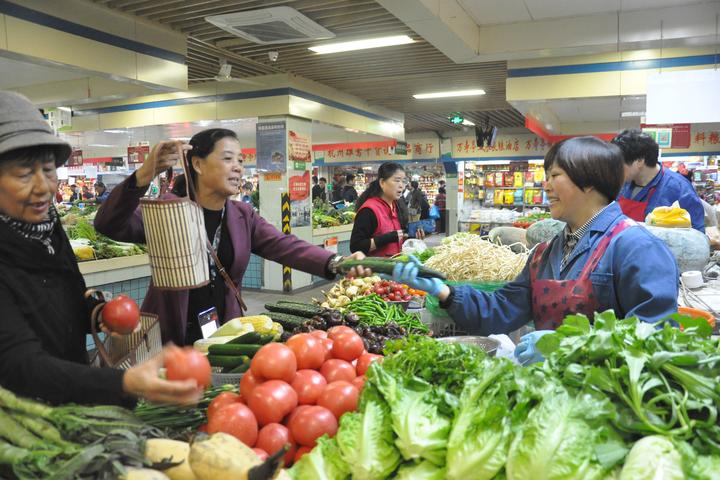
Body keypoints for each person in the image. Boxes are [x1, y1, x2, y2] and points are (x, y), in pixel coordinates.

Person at [389, 137, 679, 364]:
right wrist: (444, 291)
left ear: (589, 180)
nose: (546, 185)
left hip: (607, 408)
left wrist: (570, 347)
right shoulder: (546, 252)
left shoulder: (635, 247)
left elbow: (658, 337)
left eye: (555, 175)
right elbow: (503, 309)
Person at [0, 91, 201, 406]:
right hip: (20, 426)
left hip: (67, 405)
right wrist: (124, 381)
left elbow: (62, 297)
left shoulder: (46, 229)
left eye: (49, 170)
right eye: (25, 174)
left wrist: (95, 311)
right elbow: (19, 364)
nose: (44, 187)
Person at [95, 128, 365, 346]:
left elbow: (284, 245)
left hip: (224, 333)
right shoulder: (168, 210)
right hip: (169, 335)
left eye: (240, 160)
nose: (238, 168)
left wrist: (335, 262)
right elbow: (109, 223)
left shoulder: (242, 215)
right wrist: (145, 173)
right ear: (198, 164)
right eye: (227, 159)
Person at [612, 129, 705, 232]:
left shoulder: (679, 189)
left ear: (639, 161)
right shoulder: (622, 184)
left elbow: (697, 236)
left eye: (619, 164)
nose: (615, 169)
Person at [350, 162, 409, 256]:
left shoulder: (396, 206)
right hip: (374, 269)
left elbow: (398, 236)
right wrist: (387, 238)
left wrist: (410, 238)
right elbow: (356, 247)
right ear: (382, 182)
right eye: (397, 180)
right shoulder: (369, 210)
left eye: (403, 181)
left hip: (395, 268)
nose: (401, 185)